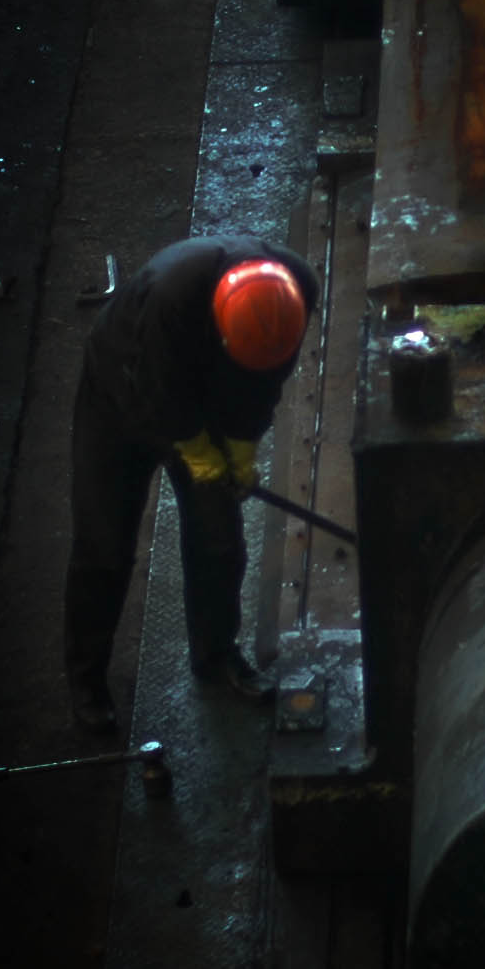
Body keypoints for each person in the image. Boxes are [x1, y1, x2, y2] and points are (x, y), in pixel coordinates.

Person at [64, 235, 319, 729]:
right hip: (120, 396)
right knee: (104, 547)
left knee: (218, 539)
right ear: (220, 326)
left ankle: (216, 655)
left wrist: (242, 447)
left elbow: (265, 382)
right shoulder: (170, 298)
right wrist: (201, 455)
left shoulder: (296, 289)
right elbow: (160, 395)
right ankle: (86, 680)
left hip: (207, 401)